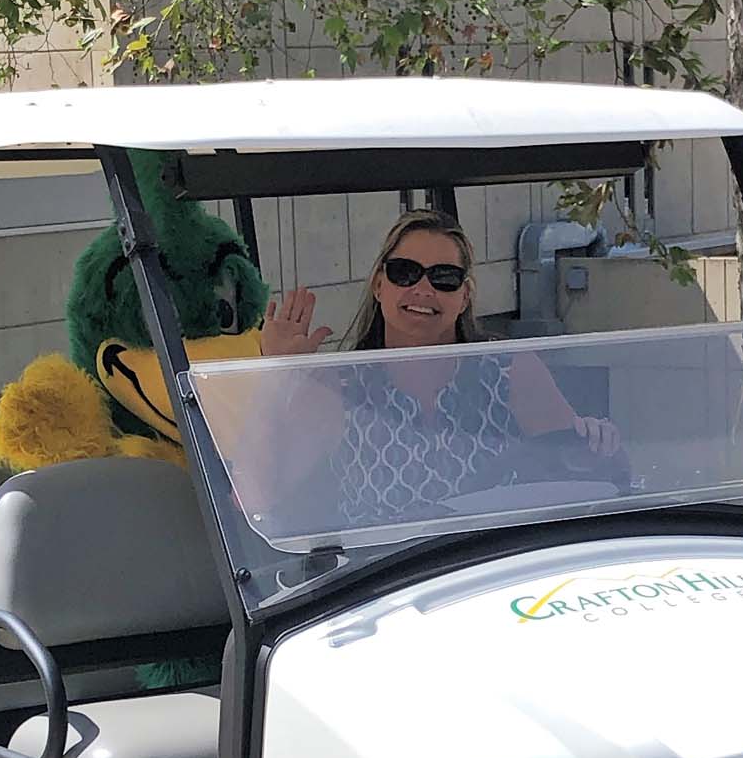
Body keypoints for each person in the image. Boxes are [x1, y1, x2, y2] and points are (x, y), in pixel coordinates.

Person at [253, 210, 627, 526]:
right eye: (405, 272)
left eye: (443, 277)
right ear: (379, 285)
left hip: (493, 564)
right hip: (384, 580)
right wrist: (278, 376)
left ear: (464, 296)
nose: (423, 288)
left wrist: (595, 440)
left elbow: (568, 464)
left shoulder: (509, 370)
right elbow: (261, 494)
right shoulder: (341, 383)